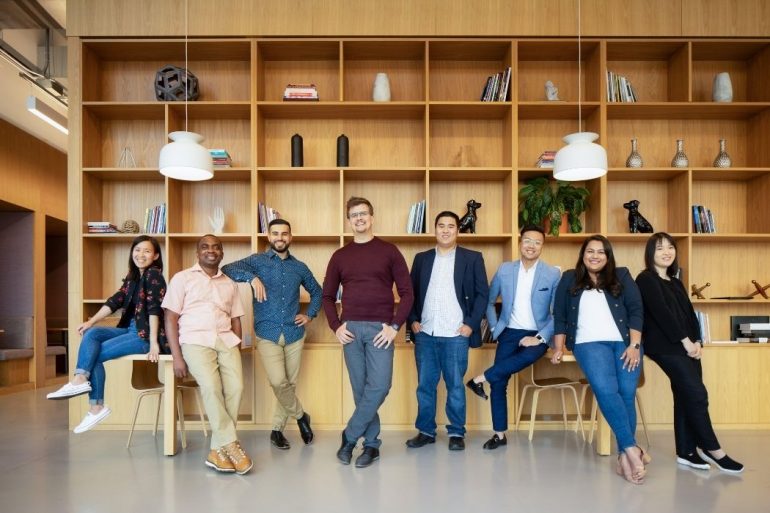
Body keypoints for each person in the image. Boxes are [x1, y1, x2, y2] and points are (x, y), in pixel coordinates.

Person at [635, 232, 743, 473]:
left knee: (685, 394)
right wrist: (685, 341)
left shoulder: (675, 280)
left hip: (688, 345)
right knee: (697, 394)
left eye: (670, 247)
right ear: (650, 252)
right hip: (665, 346)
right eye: (660, 248)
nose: (667, 252)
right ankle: (712, 449)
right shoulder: (646, 279)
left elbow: (688, 312)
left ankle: (686, 451)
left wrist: (697, 341)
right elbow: (662, 314)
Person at [322, 197, 414, 468]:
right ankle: (371, 445)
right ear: (349, 221)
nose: (359, 218)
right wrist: (336, 326)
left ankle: (349, 436)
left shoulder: (389, 251)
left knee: (380, 385)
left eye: (363, 214)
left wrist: (395, 326)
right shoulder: (340, 255)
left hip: (380, 330)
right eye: (354, 215)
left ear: (372, 218)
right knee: (361, 390)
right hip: (350, 329)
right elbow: (327, 296)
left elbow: (408, 293)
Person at [551, 234, 649, 484]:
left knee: (626, 394)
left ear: (608, 256)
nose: (594, 256)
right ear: (583, 255)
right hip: (588, 342)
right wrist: (559, 347)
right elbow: (560, 316)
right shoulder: (569, 278)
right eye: (590, 251)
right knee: (606, 390)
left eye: (600, 252)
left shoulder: (623, 275)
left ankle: (622, 459)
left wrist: (635, 345)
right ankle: (631, 448)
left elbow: (637, 310)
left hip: (626, 344)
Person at [47, 235, 166, 434]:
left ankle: (95, 404)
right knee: (92, 334)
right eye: (137, 250)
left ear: (155, 256)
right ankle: (82, 383)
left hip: (142, 335)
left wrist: (154, 343)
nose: (140, 254)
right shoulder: (133, 278)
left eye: (146, 251)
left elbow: (155, 309)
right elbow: (114, 302)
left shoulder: (154, 275)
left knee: (92, 355)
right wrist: (90, 321)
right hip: (128, 329)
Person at [222, 218, 322, 450]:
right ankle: (301, 417)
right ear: (269, 236)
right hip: (266, 333)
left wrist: (310, 315)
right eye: (275, 233)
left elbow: (317, 292)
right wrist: (252, 277)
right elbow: (227, 269)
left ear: (290, 237)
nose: (280, 238)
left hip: (295, 332)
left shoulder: (300, 267)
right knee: (279, 382)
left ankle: (277, 430)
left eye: (284, 234)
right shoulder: (257, 261)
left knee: (289, 384)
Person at [162, 235, 252, 475]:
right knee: (212, 388)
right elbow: (170, 318)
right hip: (194, 340)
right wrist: (177, 356)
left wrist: (237, 347)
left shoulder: (229, 283)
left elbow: (236, 319)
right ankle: (231, 445)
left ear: (222, 253)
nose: (211, 251)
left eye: (216, 247)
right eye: (205, 247)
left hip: (226, 340)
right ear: (197, 252)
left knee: (237, 388)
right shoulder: (182, 278)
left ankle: (217, 450)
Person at [466, 225, 561, 450]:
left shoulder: (553, 273)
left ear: (542, 247)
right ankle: (499, 435)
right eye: (527, 240)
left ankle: (478, 379)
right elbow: (489, 301)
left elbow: (558, 313)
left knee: (518, 361)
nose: (531, 246)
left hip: (537, 333)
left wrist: (540, 337)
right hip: (508, 332)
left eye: (537, 242)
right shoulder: (505, 270)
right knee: (499, 383)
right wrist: (497, 328)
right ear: (520, 242)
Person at [406, 211, 489, 451]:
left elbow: (483, 294)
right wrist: (412, 320)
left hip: (456, 334)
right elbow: (409, 293)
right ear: (434, 229)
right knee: (425, 386)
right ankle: (425, 431)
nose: (445, 230)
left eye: (450, 226)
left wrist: (470, 324)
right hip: (426, 334)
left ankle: (456, 433)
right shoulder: (421, 258)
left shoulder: (472, 258)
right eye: (440, 225)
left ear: (457, 230)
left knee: (454, 385)